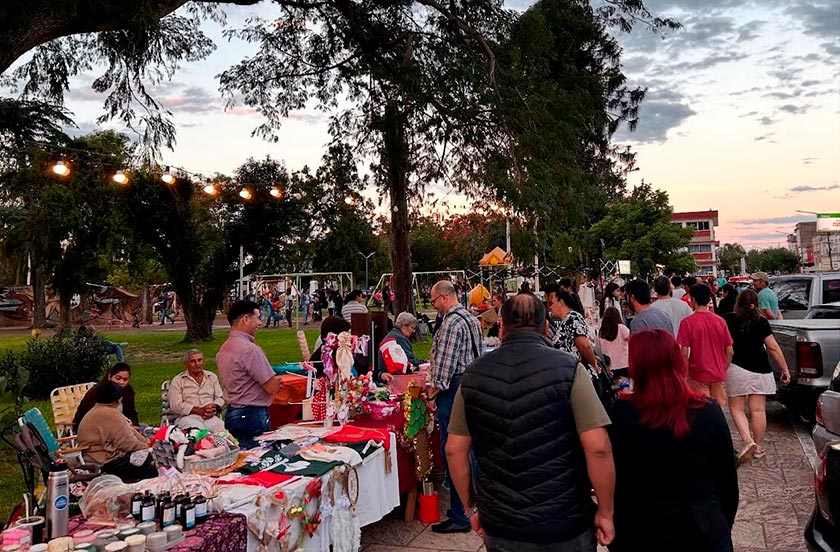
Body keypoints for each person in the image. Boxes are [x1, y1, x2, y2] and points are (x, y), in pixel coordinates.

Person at [446, 294, 615, 550]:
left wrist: (471, 507)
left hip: (502, 522)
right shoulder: (569, 369)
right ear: (546, 327)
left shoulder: (473, 374)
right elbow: (598, 447)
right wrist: (605, 511)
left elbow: (454, 449)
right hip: (564, 520)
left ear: (501, 327)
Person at [608, 329, 738, 552]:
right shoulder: (706, 411)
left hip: (640, 528)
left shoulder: (622, 413)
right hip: (702, 527)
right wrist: (722, 525)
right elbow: (727, 480)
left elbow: (615, 477)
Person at [427, 280, 484, 534]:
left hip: (453, 389)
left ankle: (461, 513)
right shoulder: (470, 317)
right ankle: (475, 505)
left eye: (433, 301)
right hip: (470, 383)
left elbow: (444, 369)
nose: (433, 306)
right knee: (470, 449)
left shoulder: (451, 323)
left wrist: (432, 393)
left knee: (454, 450)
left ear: (443, 297)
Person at [724, 289, 791, 464]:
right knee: (758, 410)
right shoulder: (762, 322)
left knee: (737, 408)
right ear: (756, 304)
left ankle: (748, 441)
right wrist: (784, 369)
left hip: (736, 369)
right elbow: (773, 347)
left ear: (738, 303)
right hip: (761, 370)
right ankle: (759, 447)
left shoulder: (728, 320)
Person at [216, 300, 285, 449]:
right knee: (257, 456)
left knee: (240, 456)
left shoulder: (224, 348)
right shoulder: (250, 350)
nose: (260, 323)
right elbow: (271, 387)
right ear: (246, 319)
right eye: (258, 318)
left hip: (233, 412)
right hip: (252, 415)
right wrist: (277, 382)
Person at [77, 381, 157, 482]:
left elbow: (130, 433)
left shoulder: (96, 411)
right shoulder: (111, 414)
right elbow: (128, 443)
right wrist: (149, 448)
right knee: (152, 461)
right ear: (117, 400)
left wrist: (147, 444)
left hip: (94, 460)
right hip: (105, 463)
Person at [676, 284, 734, 407]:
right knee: (718, 408)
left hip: (698, 373)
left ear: (693, 300)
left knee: (702, 408)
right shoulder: (720, 321)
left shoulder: (687, 323)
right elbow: (730, 351)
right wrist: (723, 368)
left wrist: (685, 374)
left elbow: (683, 353)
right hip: (718, 373)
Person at [169, 349, 226, 432]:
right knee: (199, 432)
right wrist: (198, 410)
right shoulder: (178, 380)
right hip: (187, 417)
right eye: (193, 361)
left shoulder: (211, 377)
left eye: (200, 360)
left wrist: (214, 407)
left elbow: (220, 397)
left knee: (221, 431)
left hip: (209, 417)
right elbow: (175, 406)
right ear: (186, 364)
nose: (197, 364)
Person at [546, 288, 602, 373]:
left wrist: (594, 364)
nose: (550, 307)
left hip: (577, 372)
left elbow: (584, 345)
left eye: (552, 303)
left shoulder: (573, 317)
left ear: (560, 302)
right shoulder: (566, 321)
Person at [73, 363, 139, 431]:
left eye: (125, 379)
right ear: (110, 376)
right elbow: (88, 417)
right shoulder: (96, 392)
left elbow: (131, 412)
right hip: (97, 430)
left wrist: (135, 425)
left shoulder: (128, 391)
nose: (121, 382)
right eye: (118, 378)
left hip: (122, 426)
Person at [375, 312, 426, 383]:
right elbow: (410, 360)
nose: (413, 331)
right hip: (394, 378)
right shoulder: (399, 338)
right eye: (412, 327)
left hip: (385, 374)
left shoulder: (392, 335)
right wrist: (426, 362)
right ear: (404, 326)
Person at [598, 307, 630, 378]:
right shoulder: (622, 328)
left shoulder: (602, 331)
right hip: (624, 364)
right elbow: (631, 341)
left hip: (609, 365)